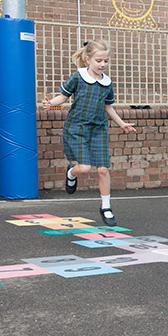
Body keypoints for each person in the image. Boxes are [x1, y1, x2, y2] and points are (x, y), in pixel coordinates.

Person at [43, 39, 136, 226]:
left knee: (103, 169)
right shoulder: (78, 77)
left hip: (98, 129)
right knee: (84, 168)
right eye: (99, 60)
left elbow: (108, 107)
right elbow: (63, 96)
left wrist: (121, 123)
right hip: (77, 127)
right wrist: (51, 103)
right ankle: (72, 173)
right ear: (88, 60)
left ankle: (106, 207)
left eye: (106, 61)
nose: (102, 64)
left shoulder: (107, 83)